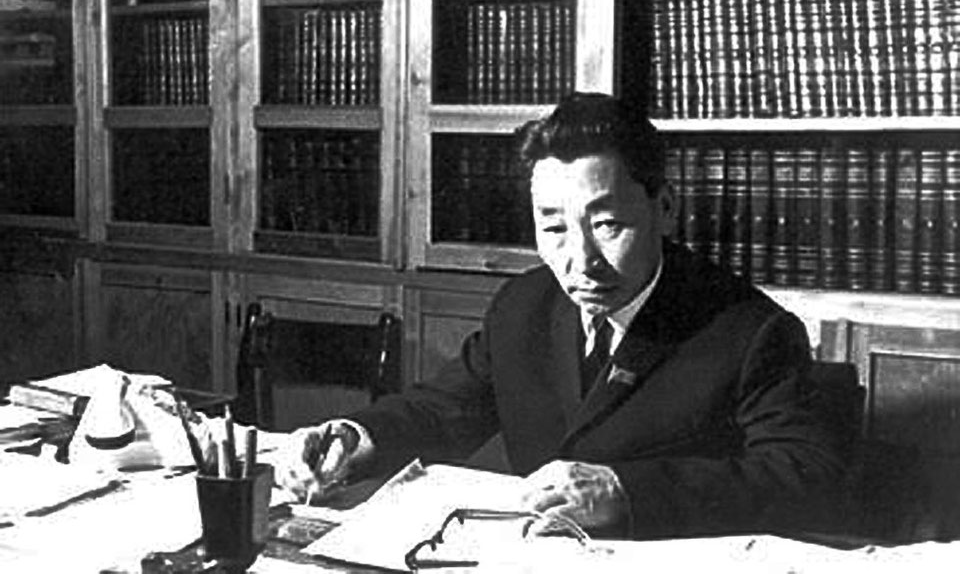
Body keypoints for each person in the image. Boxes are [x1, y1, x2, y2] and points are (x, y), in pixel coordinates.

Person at [276, 92, 847, 539]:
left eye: (607, 225)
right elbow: (442, 411)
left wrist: (626, 491)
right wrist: (355, 438)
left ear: (665, 207)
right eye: (553, 228)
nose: (581, 261)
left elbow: (807, 474)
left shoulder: (751, 330)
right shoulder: (524, 305)